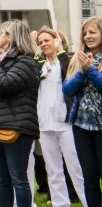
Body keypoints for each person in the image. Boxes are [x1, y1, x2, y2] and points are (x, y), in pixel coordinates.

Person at [0, 19, 40, 207]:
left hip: (17, 128)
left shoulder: (26, 62)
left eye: (3, 33)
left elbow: (5, 85)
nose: (0, 36)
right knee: (2, 179)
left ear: (12, 37)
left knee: (18, 178)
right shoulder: (2, 60)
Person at [36, 27, 87, 206]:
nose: (43, 44)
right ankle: (60, 203)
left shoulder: (68, 60)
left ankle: (89, 201)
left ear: (56, 40)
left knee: (76, 167)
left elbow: (69, 72)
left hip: (66, 124)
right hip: (45, 124)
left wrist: (60, 51)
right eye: (40, 42)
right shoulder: (40, 65)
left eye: (47, 40)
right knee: (53, 170)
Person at [62, 16, 102, 207]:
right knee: (90, 179)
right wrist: (82, 71)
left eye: (92, 32)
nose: (88, 36)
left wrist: (91, 70)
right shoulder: (77, 59)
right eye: (85, 33)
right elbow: (67, 90)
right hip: (81, 127)